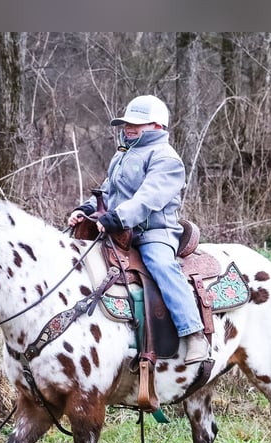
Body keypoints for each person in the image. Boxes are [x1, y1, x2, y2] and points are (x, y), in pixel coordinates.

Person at [68, 94, 209, 364]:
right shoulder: (122, 155)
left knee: (161, 266)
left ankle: (194, 333)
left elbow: (148, 199)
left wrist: (115, 218)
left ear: (157, 126)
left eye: (137, 123)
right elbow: (108, 192)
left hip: (154, 233)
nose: (129, 128)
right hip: (119, 229)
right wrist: (85, 210)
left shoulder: (167, 158)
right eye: (126, 123)